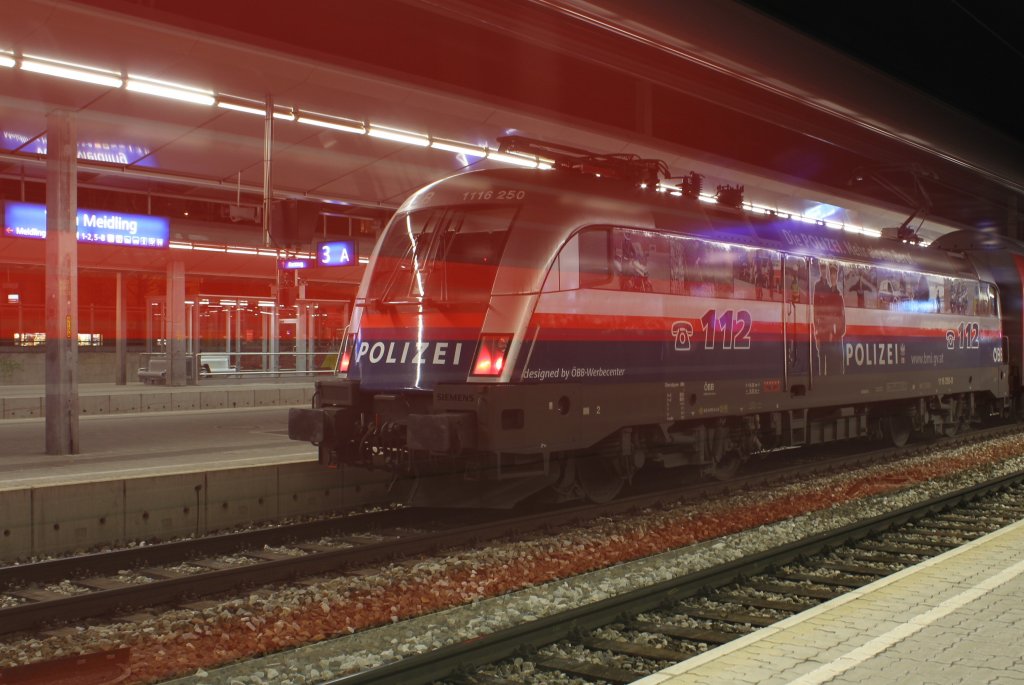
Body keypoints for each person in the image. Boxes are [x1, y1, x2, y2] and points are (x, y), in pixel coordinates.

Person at [812, 260, 846, 375]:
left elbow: (842, 319)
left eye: (834, 274)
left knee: (836, 369)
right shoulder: (825, 291)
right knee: (826, 368)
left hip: (835, 339)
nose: (832, 276)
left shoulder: (839, 295)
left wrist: (836, 333)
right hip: (826, 336)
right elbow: (819, 313)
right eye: (831, 274)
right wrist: (818, 334)